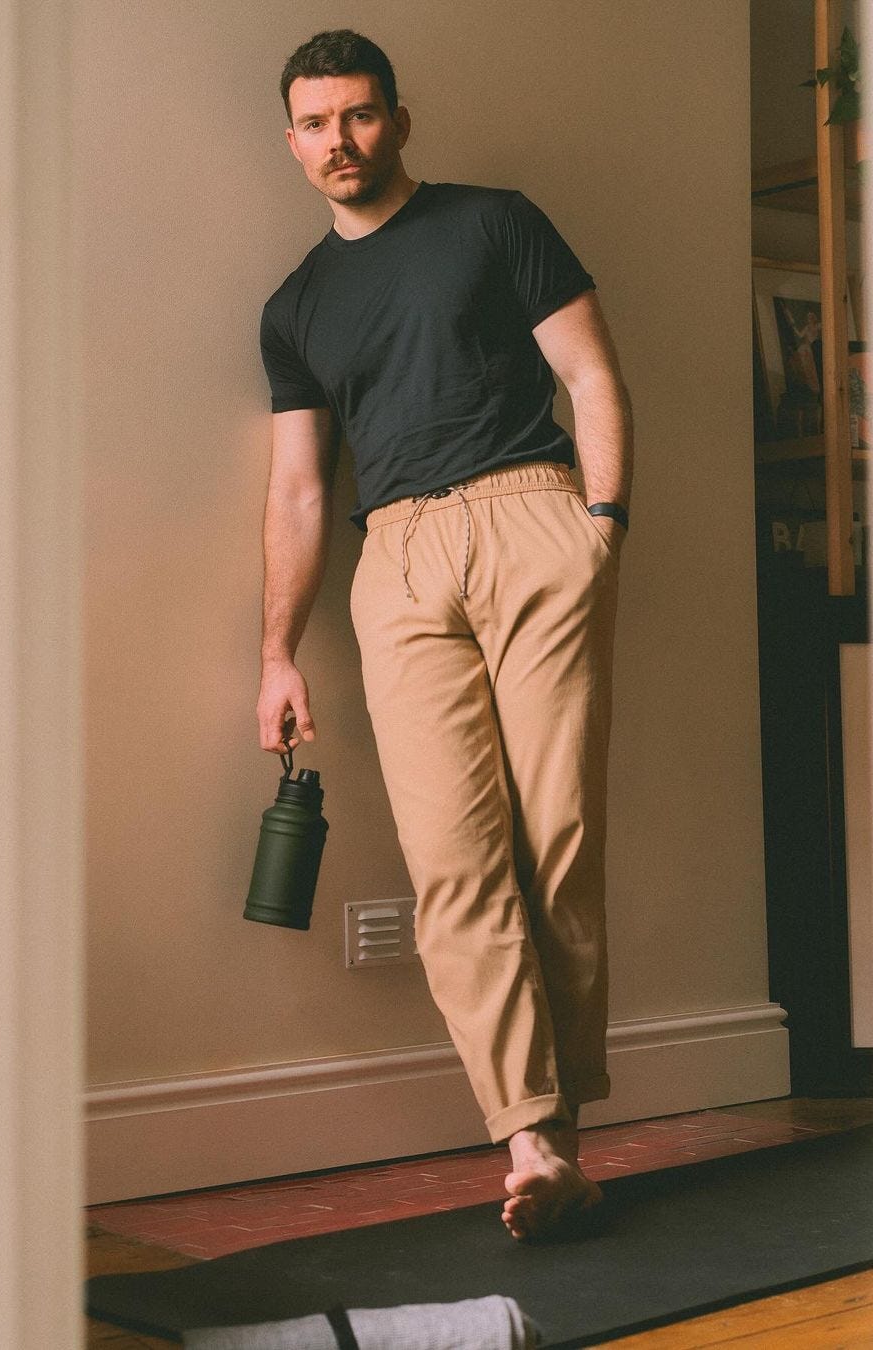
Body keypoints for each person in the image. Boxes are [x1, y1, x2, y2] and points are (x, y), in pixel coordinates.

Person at [255, 28, 633, 1242]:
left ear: (398, 121)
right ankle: (529, 1137)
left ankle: (560, 1139)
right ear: (292, 138)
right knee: (453, 867)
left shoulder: (495, 223)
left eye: (359, 116)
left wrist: (604, 524)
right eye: (314, 123)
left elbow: (590, 375)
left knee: (555, 838)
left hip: (531, 513)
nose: (338, 142)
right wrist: (277, 652)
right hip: (399, 561)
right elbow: (302, 491)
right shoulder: (294, 307)